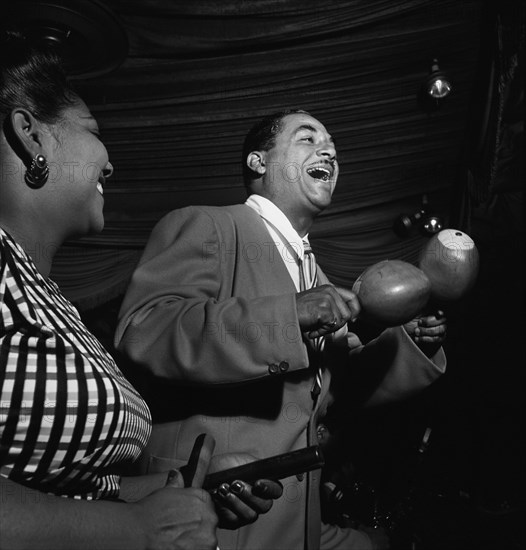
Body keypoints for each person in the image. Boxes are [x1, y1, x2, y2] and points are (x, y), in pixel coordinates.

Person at [0, 29, 282, 550]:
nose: (108, 161)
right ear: (31, 135)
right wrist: (135, 531)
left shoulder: (48, 299)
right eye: (92, 130)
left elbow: (69, 490)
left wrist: (183, 492)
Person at [115, 109, 447, 550]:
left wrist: (410, 342)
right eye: (308, 139)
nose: (328, 150)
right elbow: (146, 331)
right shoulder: (208, 225)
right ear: (258, 162)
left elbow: (336, 396)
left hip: (289, 515)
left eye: (332, 145)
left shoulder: (318, 277)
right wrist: (290, 314)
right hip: (209, 504)